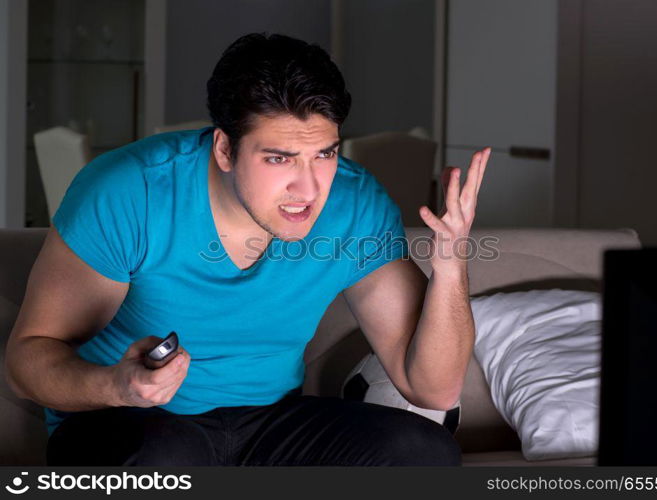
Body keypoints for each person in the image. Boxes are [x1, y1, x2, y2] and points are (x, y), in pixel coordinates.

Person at [4, 32, 490, 466]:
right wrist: (118, 385)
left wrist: (451, 267)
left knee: (425, 451)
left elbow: (432, 388)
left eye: (324, 154)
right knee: (163, 456)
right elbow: (27, 364)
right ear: (224, 149)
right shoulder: (130, 191)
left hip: (268, 424)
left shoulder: (355, 203)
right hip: (134, 422)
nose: (309, 187)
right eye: (279, 158)